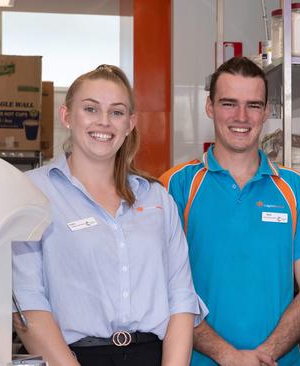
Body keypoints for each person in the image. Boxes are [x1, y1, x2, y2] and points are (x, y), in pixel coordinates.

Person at [12, 65, 207, 366]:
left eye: (116, 112)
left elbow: (181, 298)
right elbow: (27, 303)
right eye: (91, 109)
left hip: (153, 356)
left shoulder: (156, 199)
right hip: (72, 358)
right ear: (67, 116)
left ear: (130, 124)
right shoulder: (32, 193)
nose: (104, 122)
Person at [159, 57, 300, 366]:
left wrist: (265, 354)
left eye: (253, 105)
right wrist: (229, 357)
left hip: (277, 361)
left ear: (266, 111)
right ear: (209, 107)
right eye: (229, 103)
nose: (241, 117)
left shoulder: (297, 190)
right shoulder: (174, 187)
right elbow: (161, 289)